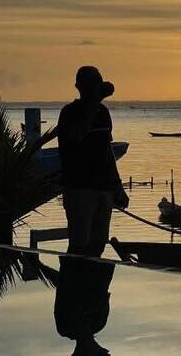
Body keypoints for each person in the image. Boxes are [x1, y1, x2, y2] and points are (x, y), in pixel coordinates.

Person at [58, 66, 129, 256]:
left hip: (103, 189)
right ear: (79, 87)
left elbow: (107, 152)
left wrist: (118, 187)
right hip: (79, 189)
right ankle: (73, 282)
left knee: (98, 244)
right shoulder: (70, 113)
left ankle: (93, 284)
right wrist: (91, 106)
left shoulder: (103, 113)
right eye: (91, 85)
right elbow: (76, 136)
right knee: (79, 245)